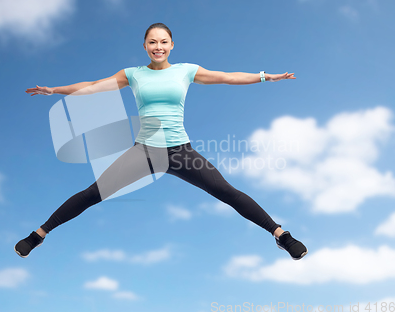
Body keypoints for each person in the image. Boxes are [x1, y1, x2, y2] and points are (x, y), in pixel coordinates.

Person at [15, 23, 308, 260]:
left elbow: (226, 77)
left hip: (181, 151)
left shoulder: (186, 71)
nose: (158, 47)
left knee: (226, 191)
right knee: (94, 192)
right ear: (145, 46)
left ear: (171, 45)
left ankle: (281, 235)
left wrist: (263, 77)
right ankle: (38, 235)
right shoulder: (133, 74)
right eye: (152, 42)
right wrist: (54, 90)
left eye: (164, 41)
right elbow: (92, 87)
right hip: (145, 151)